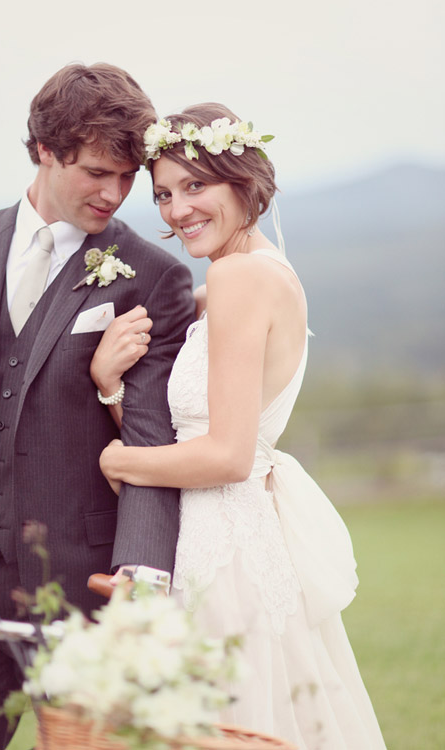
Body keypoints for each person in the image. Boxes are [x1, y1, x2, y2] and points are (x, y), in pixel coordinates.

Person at [99, 103, 387, 749]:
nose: (177, 211)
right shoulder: (254, 275)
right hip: (224, 538)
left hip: (222, 557)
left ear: (242, 176)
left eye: (196, 186)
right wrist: (111, 385)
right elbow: (190, 429)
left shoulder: (239, 278)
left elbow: (227, 454)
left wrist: (117, 462)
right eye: (165, 194)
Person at [0, 63, 195, 750]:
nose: (115, 194)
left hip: (83, 596)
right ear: (45, 151)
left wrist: (139, 578)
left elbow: (149, 437)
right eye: (96, 172)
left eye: (126, 176)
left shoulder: (152, 275)